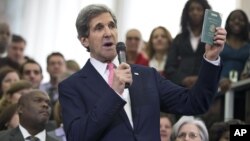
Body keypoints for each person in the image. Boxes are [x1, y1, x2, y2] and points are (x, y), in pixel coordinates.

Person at [58, 4, 226, 141]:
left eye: (111, 26)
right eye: (99, 28)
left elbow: (194, 103)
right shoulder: (72, 86)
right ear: (84, 40)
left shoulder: (147, 76)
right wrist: (114, 93)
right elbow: (77, 136)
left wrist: (211, 58)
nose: (108, 33)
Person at [164, 0, 211, 88]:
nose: (195, 12)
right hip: (181, 88)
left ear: (206, 13)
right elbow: (169, 66)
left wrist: (201, 78)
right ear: (187, 13)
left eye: (199, 9)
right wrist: (182, 79)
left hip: (205, 87)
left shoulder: (211, 38)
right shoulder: (179, 39)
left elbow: (216, 62)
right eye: (191, 9)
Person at [219, 9, 250, 92]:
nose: (237, 21)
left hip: (243, 88)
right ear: (228, 23)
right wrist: (221, 80)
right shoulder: (219, 43)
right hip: (219, 87)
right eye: (233, 19)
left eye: (241, 20)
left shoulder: (248, 47)